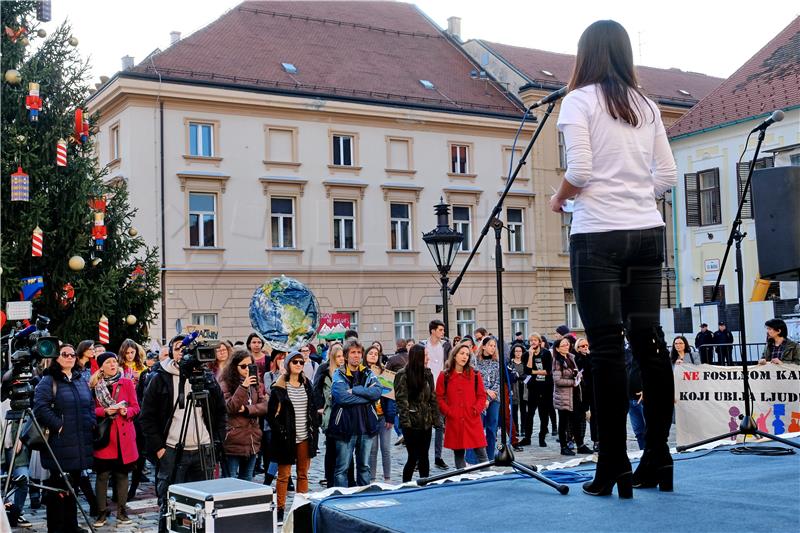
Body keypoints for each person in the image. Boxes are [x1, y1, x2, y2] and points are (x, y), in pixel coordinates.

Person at [551, 19, 676, 498]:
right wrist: (633, 193)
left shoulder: (579, 101)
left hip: (598, 236)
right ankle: (658, 458)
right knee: (650, 343)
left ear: (585, 55)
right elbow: (666, 173)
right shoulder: (647, 105)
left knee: (604, 349)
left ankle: (612, 466)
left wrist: (560, 199)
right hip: (647, 234)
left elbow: (579, 169)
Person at [139, 335, 226, 533]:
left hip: (203, 449)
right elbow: (146, 417)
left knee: (203, 505)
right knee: (170, 504)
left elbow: (221, 411)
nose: (183, 352)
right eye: (178, 348)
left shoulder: (207, 377)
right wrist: (159, 448)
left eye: (186, 348)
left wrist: (217, 440)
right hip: (171, 450)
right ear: (171, 352)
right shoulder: (160, 377)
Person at [33, 343, 95, 533]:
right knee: (58, 490)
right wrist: (59, 425)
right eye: (64, 354)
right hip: (59, 445)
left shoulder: (79, 379)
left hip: (79, 442)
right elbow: (40, 408)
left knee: (73, 487)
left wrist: (91, 421)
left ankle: (72, 526)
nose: (69, 357)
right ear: (56, 358)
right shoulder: (48, 380)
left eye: (72, 354)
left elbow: (90, 404)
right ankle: (57, 528)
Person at [266, 351, 318, 524]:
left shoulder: (307, 384)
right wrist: (281, 431)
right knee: (283, 475)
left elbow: (312, 408)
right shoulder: (279, 387)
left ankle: (300, 509)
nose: (298, 364)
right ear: (288, 364)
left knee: (303, 474)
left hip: (304, 436)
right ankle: (280, 509)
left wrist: (313, 429)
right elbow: (271, 415)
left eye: (301, 362)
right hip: (286, 438)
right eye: (294, 361)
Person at [90, 352, 139, 527]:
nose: (113, 365)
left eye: (114, 362)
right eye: (108, 362)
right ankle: (101, 512)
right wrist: (104, 411)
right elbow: (89, 410)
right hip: (105, 437)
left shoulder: (126, 382)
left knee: (122, 475)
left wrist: (127, 412)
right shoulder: (95, 384)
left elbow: (135, 407)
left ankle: (122, 511)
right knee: (102, 476)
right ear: (101, 366)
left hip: (124, 437)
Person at [328, 340, 382, 487]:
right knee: (342, 469)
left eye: (359, 352)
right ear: (346, 356)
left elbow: (377, 392)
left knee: (364, 467)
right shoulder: (339, 374)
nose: (357, 355)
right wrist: (366, 397)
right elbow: (342, 397)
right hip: (345, 428)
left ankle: (363, 497)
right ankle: (340, 500)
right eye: (353, 352)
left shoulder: (368, 372)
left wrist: (356, 390)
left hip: (366, 427)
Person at [437, 343, 488, 469]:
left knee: (481, 452)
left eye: (467, 354)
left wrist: (476, 409)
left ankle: (488, 478)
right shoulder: (444, 376)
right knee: (459, 452)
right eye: (462, 353)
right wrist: (449, 412)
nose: (465, 357)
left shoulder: (475, 374)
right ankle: (462, 479)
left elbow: (482, 396)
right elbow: (439, 397)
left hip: (472, 418)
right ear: (454, 356)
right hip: (455, 420)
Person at [219, 348, 267, 481]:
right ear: (235, 367)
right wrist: (243, 386)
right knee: (230, 480)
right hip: (233, 440)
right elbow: (231, 407)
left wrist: (247, 409)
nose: (247, 369)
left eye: (250, 366)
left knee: (247, 478)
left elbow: (264, 406)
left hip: (252, 439)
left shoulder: (256, 383)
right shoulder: (226, 383)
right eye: (243, 366)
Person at [394, 344, 440, 482]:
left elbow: (432, 398)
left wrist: (436, 420)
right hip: (411, 423)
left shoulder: (428, 373)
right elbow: (401, 401)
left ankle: (424, 484)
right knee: (413, 457)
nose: (428, 358)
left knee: (424, 456)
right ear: (418, 357)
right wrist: (406, 424)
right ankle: (406, 485)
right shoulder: (402, 375)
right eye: (425, 355)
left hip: (425, 422)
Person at [312, 343, 345, 487]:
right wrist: (320, 407)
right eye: (338, 356)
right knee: (331, 449)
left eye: (343, 355)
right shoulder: (324, 370)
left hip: (345, 415)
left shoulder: (347, 371)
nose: (341, 359)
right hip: (330, 414)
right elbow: (316, 388)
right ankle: (330, 479)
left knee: (345, 449)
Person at [423, 319, 451, 470]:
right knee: (425, 425)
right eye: (440, 330)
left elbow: (449, 365)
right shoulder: (423, 345)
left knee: (439, 425)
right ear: (433, 330)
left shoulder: (445, 346)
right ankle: (421, 457)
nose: (443, 332)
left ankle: (438, 457)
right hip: (426, 388)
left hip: (440, 389)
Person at [364, 345, 395, 482]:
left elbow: (390, 397)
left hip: (383, 416)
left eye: (375, 354)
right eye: (370, 353)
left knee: (386, 448)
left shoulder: (384, 374)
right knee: (372, 449)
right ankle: (372, 478)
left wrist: (391, 417)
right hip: (369, 416)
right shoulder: (362, 372)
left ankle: (387, 478)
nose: (373, 356)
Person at [552, 338, 584, 456]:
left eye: (567, 344)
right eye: (563, 345)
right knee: (563, 422)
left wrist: (578, 376)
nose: (566, 346)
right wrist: (572, 382)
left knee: (576, 420)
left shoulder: (571, 357)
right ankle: (563, 447)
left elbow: (573, 372)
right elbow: (557, 380)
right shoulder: (557, 361)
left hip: (574, 394)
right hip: (563, 396)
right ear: (557, 348)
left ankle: (580, 444)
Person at [473, 336, 500, 461]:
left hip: (494, 398)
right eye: (490, 345)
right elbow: (475, 382)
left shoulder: (497, 363)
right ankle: (476, 458)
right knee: (478, 428)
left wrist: (489, 397)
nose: (493, 348)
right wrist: (484, 393)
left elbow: (498, 382)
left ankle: (490, 457)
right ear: (483, 346)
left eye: (494, 346)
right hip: (479, 398)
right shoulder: (475, 362)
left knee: (491, 428)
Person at [573, 337, 596, 453]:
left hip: (592, 390)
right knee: (581, 417)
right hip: (582, 392)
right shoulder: (577, 359)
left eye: (587, 345)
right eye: (583, 346)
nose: (586, 348)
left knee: (595, 416)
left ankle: (596, 440)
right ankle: (579, 442)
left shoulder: (590, 357)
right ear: (577, 348)